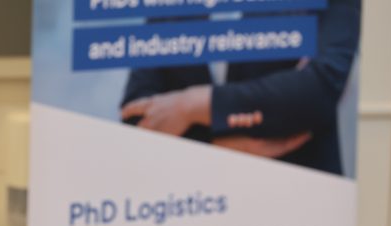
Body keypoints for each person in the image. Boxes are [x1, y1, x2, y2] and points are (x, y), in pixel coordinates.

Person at [120, 0, 361, 175]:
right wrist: (217, 147)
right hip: (194, 201)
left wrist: (194, 105)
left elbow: (320, 90)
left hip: (300, 195)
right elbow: (136, 114)